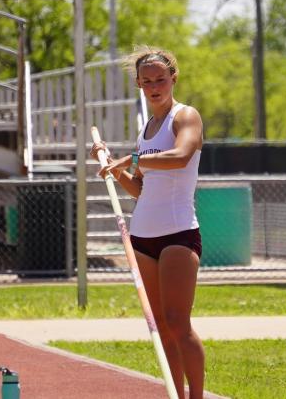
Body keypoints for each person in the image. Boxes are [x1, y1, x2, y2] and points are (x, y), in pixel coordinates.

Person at [91, 46, 205, 399]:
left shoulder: (184, 117)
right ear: (139, 84)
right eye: (147, 81)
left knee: (178, 323)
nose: (154, 86)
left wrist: (134, 157)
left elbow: (180, 157)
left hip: (178, 234)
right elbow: (142, 188)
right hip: (142, 237)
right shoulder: (148, 127)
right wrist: (116, 167)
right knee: (162, 331)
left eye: (160, 79)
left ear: (173, 78)